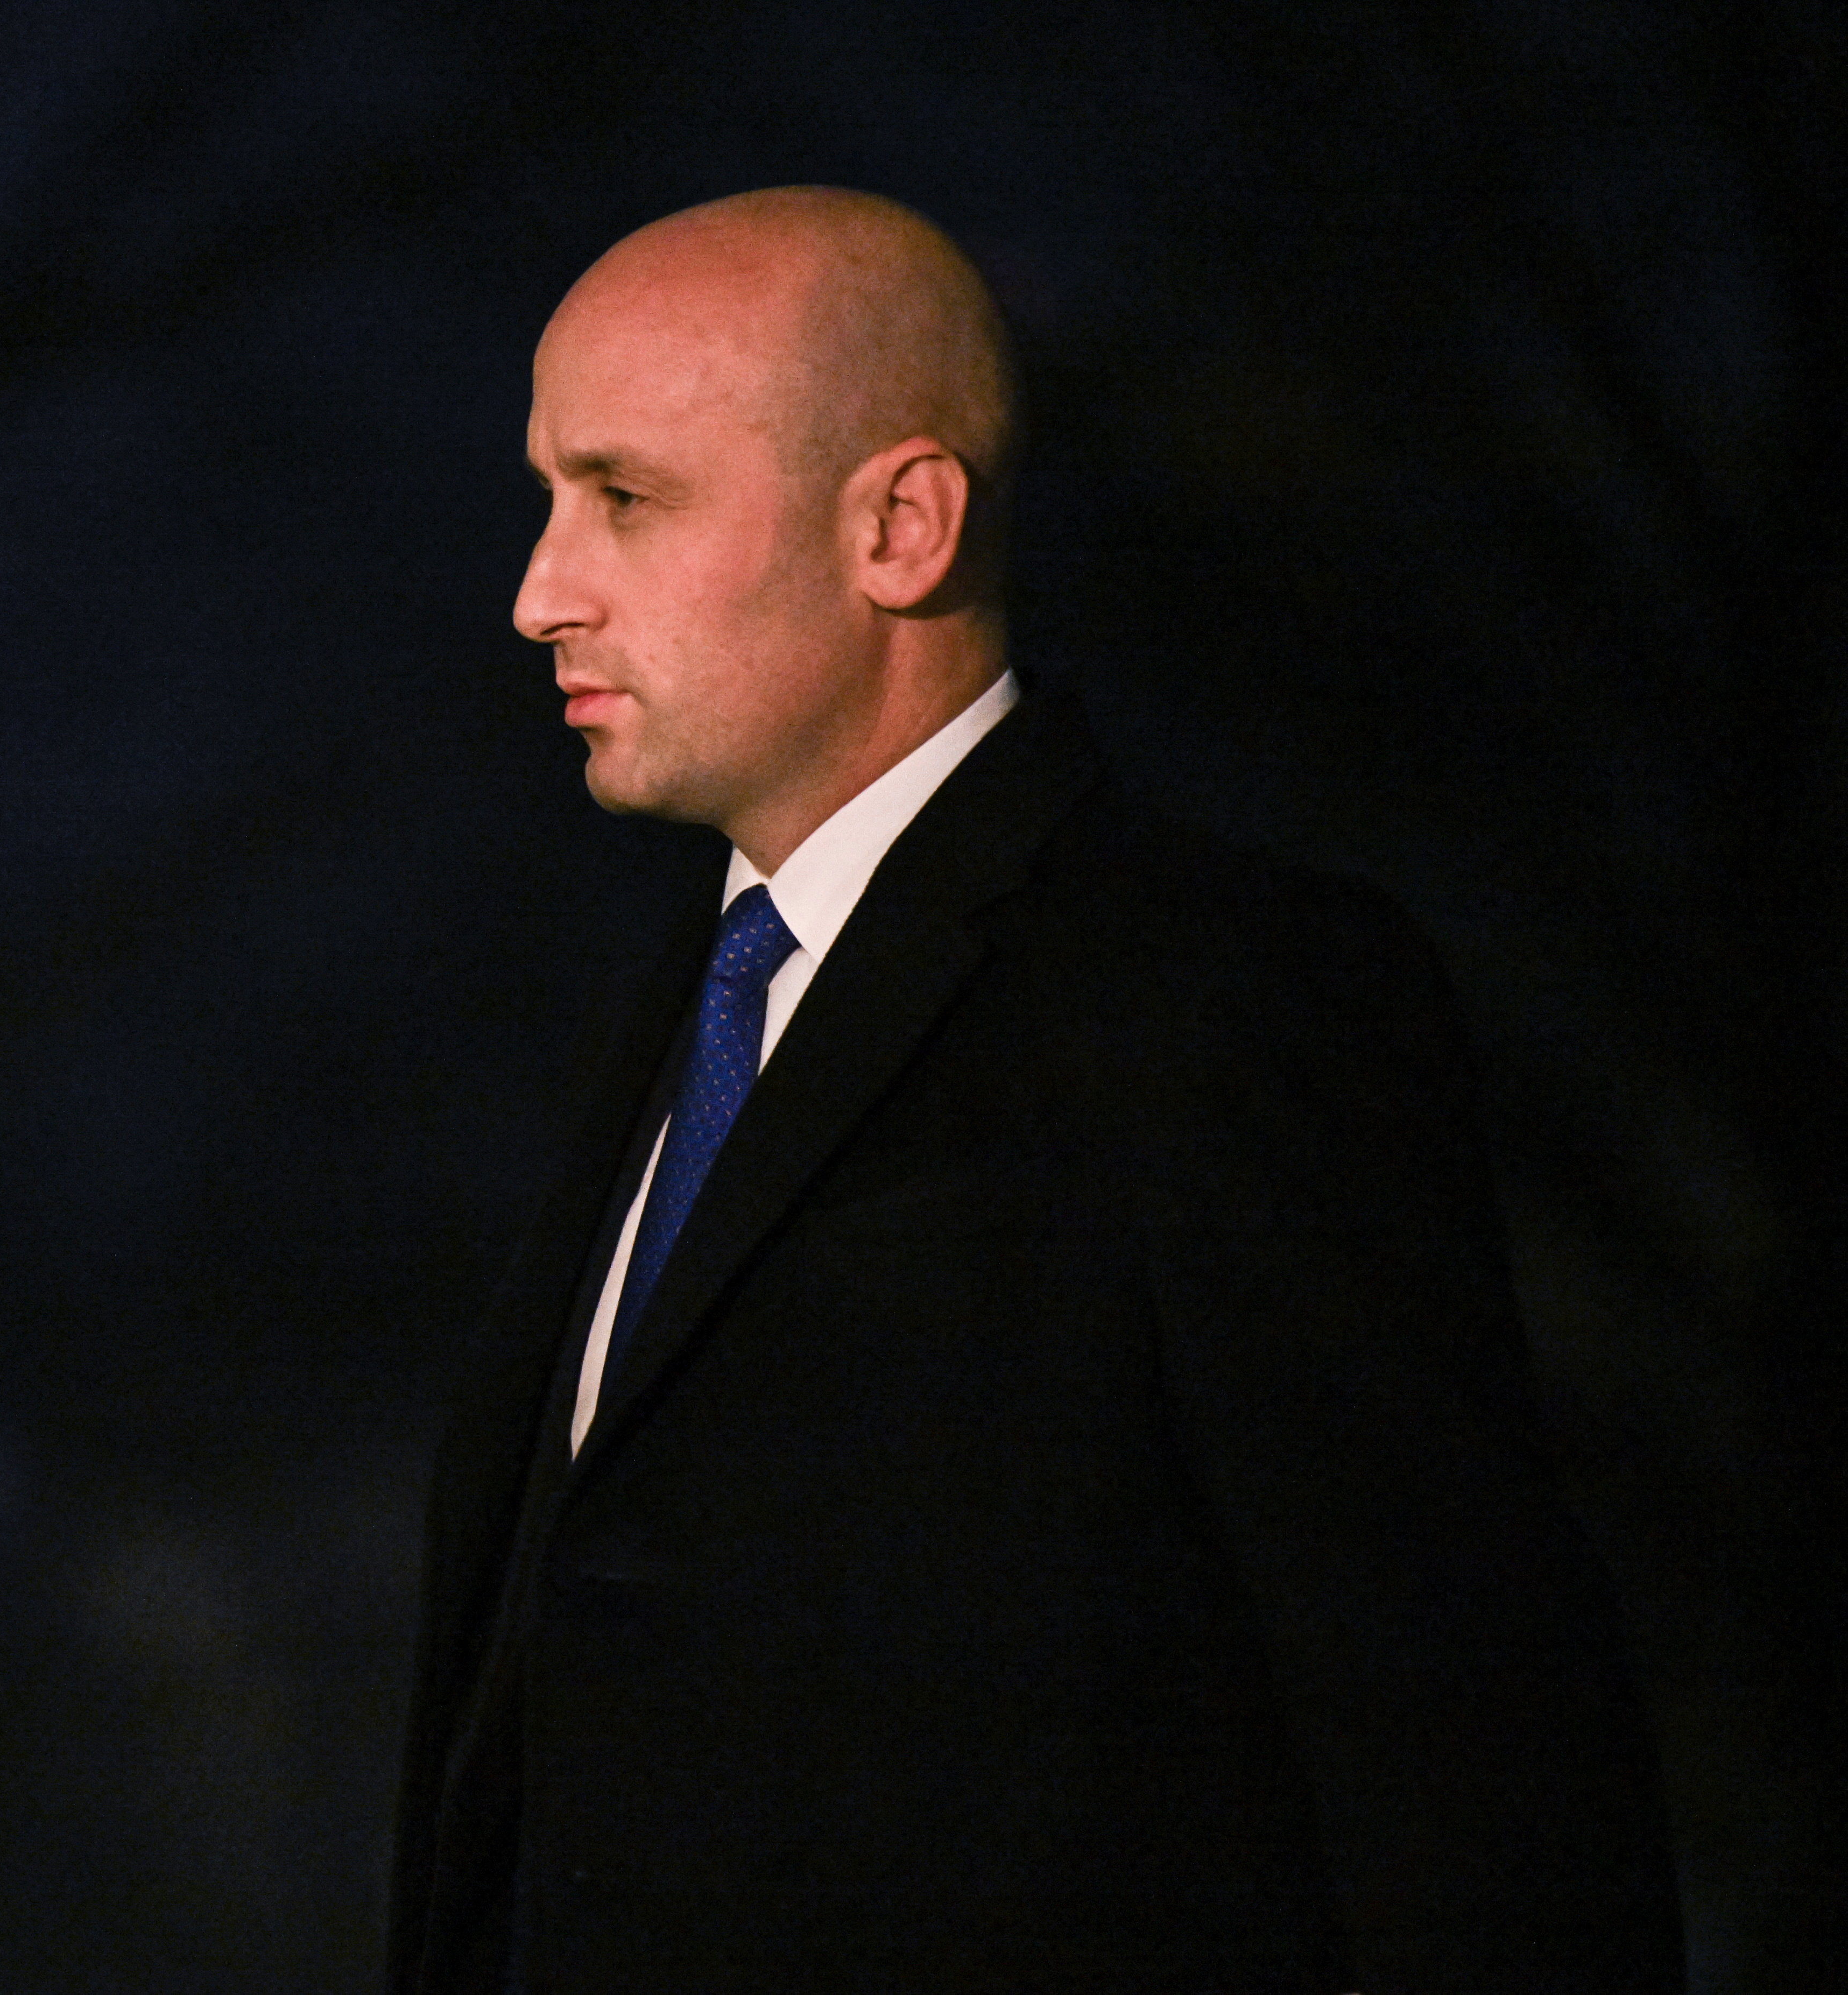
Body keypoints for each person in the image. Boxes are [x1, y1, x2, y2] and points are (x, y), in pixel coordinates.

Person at [388, 187, 1682, 1995]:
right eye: (547, 497)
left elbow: (1465, 1763)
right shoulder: (674, 1019)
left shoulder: (1223, 997)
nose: (539, 591)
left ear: (900, 524)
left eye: (623, 496)